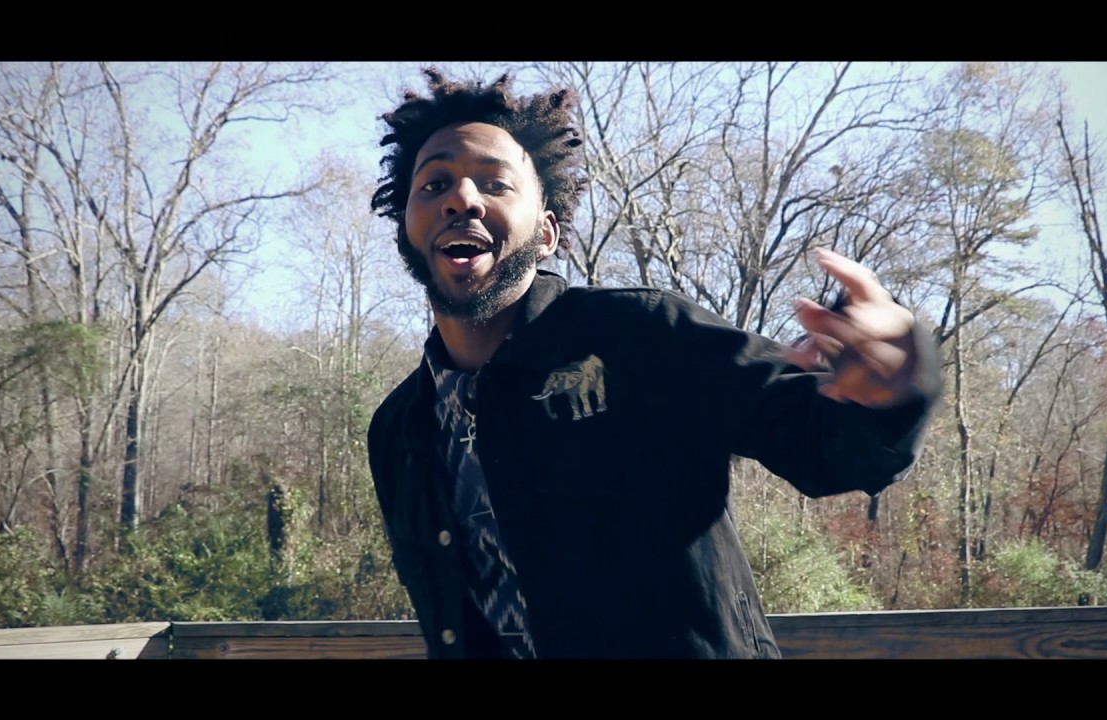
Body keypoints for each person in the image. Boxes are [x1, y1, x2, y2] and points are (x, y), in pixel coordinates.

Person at [366, 68, 942, 659]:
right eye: (433, 184)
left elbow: (830, 443)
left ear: (546, 233)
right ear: (406, 228)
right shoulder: (397, 430)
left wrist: (893, 383)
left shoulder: (642, 335)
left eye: (495, 183)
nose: (461, 198)